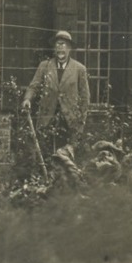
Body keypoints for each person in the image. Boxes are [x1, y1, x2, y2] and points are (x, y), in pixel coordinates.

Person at [21, 29, 90, 165]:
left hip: (69, 120)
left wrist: (81, 121)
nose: (60, 48)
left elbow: (85, 97)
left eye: (63, 45)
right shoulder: (45, 66)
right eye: (58, 45)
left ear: (69, 48)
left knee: (66, 157)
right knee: (46, 154)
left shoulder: (79, 69)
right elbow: (33, 86)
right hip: (48, 117)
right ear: (54, 48)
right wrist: (27, 99)